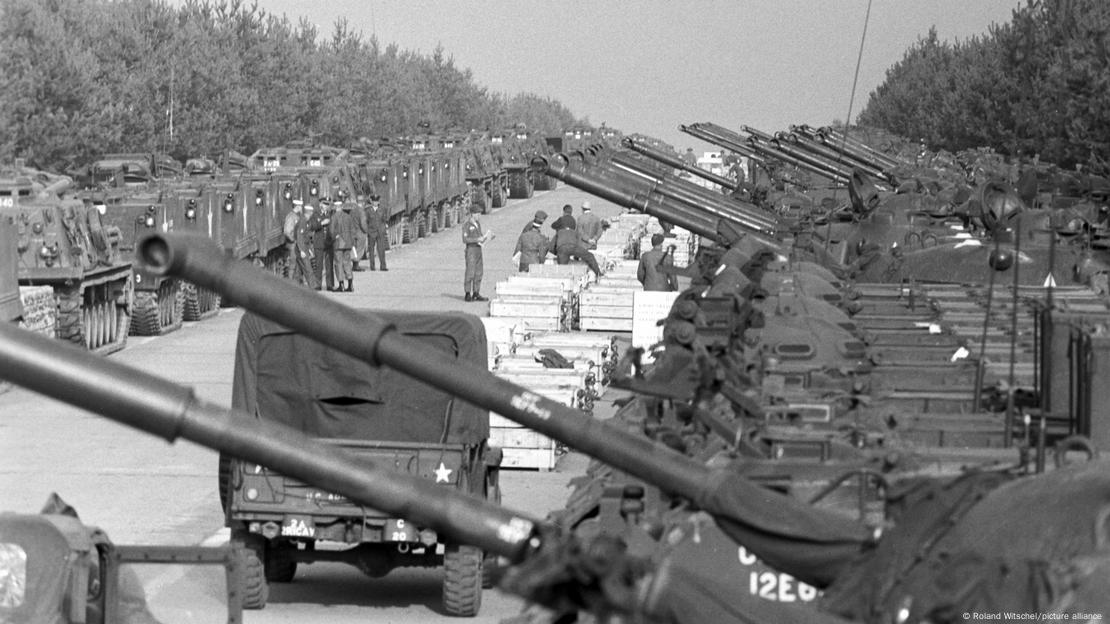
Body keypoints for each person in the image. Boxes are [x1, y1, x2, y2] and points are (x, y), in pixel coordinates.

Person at [552, 209, 603, 277]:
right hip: (573, 246)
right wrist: (577, 256)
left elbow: (551, 247)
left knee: (562, 269)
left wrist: (557, 252)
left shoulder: (559, 231)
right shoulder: (573, 223)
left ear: (563, 212)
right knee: (590, 256)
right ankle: (598, 273)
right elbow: (578, 240)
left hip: (562, 249)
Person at [462, 204, 492, 301]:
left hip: (478, 249)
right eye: (477, 213)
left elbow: (480, 236)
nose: (479, 216)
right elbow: (465, 239)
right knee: (470, 272)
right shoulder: (467, 225)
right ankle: (467, 293)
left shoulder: (477, 224)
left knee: (479, 272)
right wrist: (476, 239)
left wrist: (486, 237)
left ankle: (476, 292)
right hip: (471, 250)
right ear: (472, 214)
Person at [330, 200, 356, 292]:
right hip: (348, 244)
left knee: (338, 264)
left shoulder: (334, 217)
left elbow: (331, 231)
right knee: (347, 263)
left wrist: (333, 239)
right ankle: (350, 285)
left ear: (336, 207)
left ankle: (341, 285)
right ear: (341, 207)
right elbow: (353, 230)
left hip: (338, 244)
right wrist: (351, 242)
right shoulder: (348, 217)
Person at [309, 200, 334, 291]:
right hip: (319, 243)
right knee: (319, 265)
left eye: (327, 205)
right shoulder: (315, 215)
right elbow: (312, 226)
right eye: (324, 204)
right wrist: (322, 223)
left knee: (329, 265)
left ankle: (330, 284)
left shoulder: (331, 214)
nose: (326, 206)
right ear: (320, 205)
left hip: (329, 243)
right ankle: (318, 284)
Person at [291, 204, 317, 289]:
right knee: (307, 268)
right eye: (311, 212)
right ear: (309, 213)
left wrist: (309, 249)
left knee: (298, 270)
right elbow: (299, 236)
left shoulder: (306, 221)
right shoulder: (303, 221)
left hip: (304, 247)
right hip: (301, 249)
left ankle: (294, 286)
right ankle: (312, 287)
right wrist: (301, 250)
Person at [364, 194, 389, 271]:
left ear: (378, 201)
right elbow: (366, 221)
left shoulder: (382, 209)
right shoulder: (368, 211)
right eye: (374, 201)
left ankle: (383, 266)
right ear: (371, 201)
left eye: (377, 201)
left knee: (381, 249)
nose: (375, 203)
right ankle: (372, 266)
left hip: (380, 232)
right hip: (371, 232)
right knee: (371, 250)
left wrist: (384, 228)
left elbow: (385, 218)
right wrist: (368, 230)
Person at [283, 199, 303, 279]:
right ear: (297, 207)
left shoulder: (296, 216)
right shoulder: (291, 216)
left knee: (296, 264)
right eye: (301, 206)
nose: (301, 208)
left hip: (296, 244)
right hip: (292, 245)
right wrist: (293, 240)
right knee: (292, 264)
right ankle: (290, 281)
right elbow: (287, 231)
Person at [350, 195, 369, 271]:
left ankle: (355, 264)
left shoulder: (352, 210)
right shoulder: (361, 211)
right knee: (360, 249)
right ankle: (356, 265)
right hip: (360, 233)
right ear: (363, 202)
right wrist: (366, 231)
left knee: (354, 249)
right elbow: (363, 223)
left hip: (353, 232)